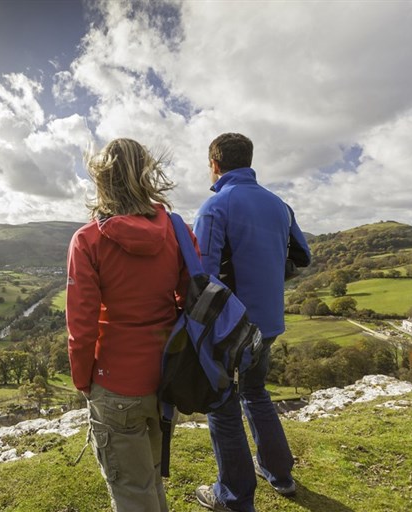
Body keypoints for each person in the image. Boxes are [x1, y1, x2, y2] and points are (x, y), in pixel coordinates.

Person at [66, 138, 194, 511]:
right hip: (166, 376)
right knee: (151, 477)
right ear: (147, 174)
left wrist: (82, 381)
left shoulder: (87, 240)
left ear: (101, 179)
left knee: (130, 491)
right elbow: (190, 301)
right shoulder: (177, 229)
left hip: (115, 383)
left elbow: (82, 326)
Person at [192, 133, 311, 512]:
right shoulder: (280, 205)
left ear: (215, 163)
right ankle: (280, 475)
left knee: (222, 403)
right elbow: (303, 256)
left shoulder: (215, 206)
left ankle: (233, 496)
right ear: (249, 159)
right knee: (256, 393)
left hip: (231, 327)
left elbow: (202, 277)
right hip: (269, 323)